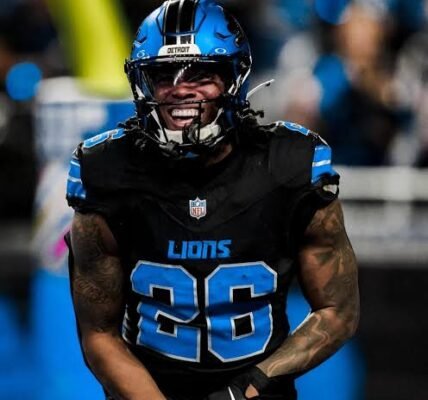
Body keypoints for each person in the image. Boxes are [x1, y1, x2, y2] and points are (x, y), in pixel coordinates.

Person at [65, 1, 360, 399]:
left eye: (201, 73)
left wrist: (251, 385)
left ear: (233, 79)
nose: (180, 89)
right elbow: (99, 333)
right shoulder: (107, 172)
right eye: (162, 75)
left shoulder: (289, 166)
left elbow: (337, 311)